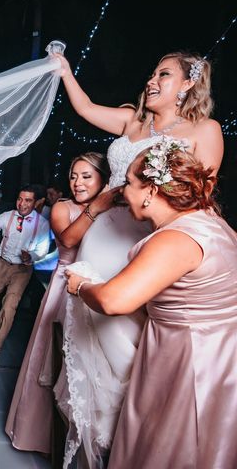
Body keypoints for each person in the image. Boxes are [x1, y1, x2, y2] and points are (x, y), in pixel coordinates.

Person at [54, 51, 224, 467]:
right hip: (102, 239)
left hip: (155, 243)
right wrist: (64, 72)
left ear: (187, 84)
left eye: (163, 74)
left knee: (133, 350)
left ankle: (129, 444)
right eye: (151, 73)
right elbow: (85, 108)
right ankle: (89, 446)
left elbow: (198, 196)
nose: (152, 80)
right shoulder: (132, 120)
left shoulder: (205, 129)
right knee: (96, 344)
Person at [65, 144, 237, 468]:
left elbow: (112, 300)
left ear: (151, 190)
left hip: (190, 358)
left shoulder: (175, 239)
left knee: (176, 443)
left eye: (128, 182)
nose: (121, 191)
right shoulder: (212, 221)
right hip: (219, 351)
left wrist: (81, 286)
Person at [5, 153, 110, 453]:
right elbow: (66, 241)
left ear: (104, 179)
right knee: (53, 359)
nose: (77, 183)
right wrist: (96, 208)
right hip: (63, 290)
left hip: (98, 289)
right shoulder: (62, 207)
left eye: (86, 176)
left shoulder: (114, 212)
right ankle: (38, 433)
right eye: (73, 176)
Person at [0, 184, 51, 370]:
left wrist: (32, 256)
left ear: (35, 203)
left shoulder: (42, 224)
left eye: (27, 200)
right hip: (2, 264)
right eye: (20, 199)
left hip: (22, 269)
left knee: (9, 309)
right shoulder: (7, 217)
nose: (22, 203)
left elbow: (42, 250)